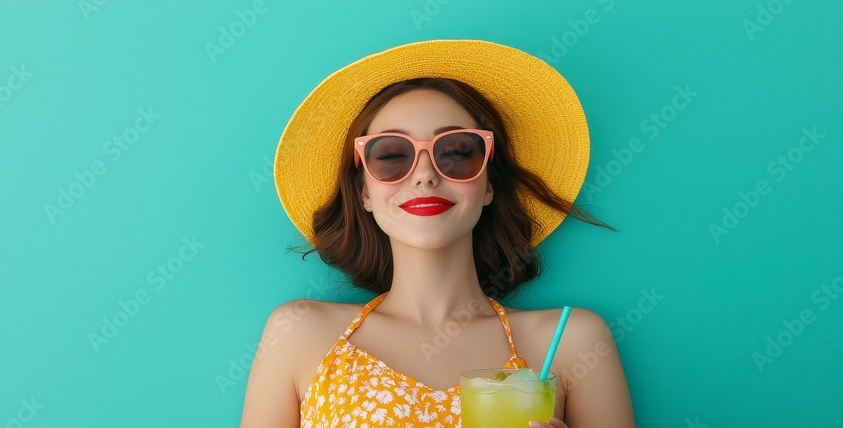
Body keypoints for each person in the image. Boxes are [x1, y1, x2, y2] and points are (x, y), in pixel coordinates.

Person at [241, 40, 635, 427]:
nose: (425, 174)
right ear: (363, 191)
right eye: (392, 155)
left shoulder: (572, 341)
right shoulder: (298, 333)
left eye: (457, 151)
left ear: (487, 186)